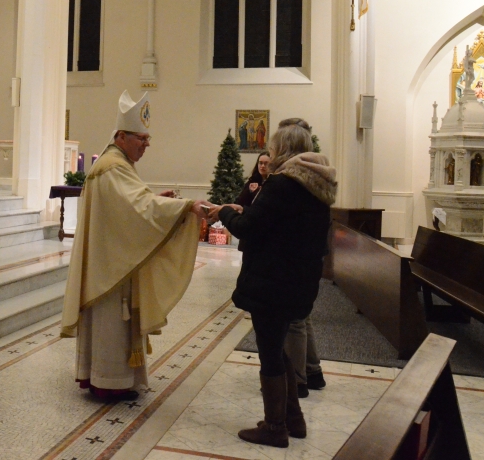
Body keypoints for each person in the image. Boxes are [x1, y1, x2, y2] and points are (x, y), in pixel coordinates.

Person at [61, 91, 205, 401]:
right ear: (122, 136)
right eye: (141, 138)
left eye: (148, 138)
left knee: (115, 326)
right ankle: (108, 382)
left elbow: (129, 206)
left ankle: (112, 379)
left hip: (113, 259)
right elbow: (135, 207)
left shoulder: (117, 164)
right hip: (110, 270)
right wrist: (187, 206)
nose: (147, 144)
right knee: (112, 324)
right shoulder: (112, 167)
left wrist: (158, 200)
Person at [202, 119, 336, 448]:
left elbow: (251, 227)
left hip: (272, 282)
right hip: (299, 280)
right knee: (278, 348)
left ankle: (275, 427)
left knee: (270, 353)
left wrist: (223, 212)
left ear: (284, 150)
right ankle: (294, 419)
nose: (271, 152)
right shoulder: (316, 186)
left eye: (274, 147)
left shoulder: (283, 184)